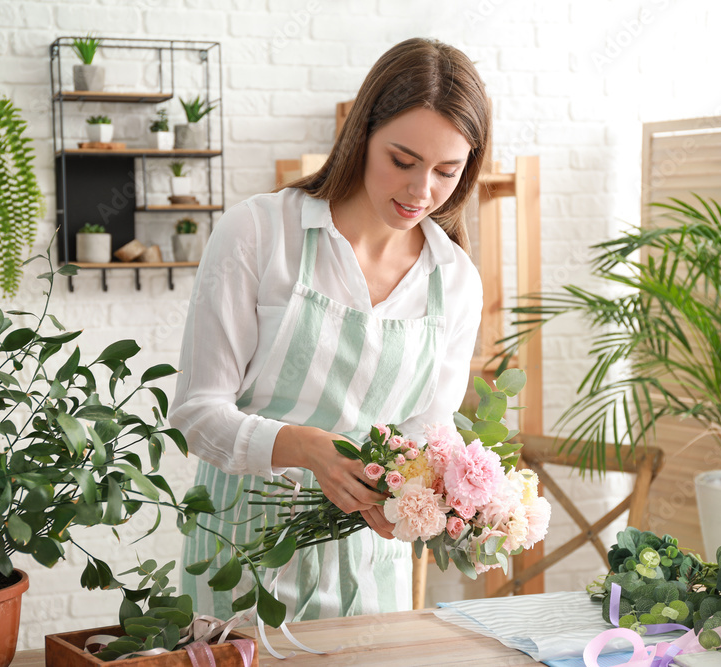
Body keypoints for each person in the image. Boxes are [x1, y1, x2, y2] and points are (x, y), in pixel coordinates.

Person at [170, 37, 490, 622]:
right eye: (402, 160)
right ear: (361, 134)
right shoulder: (260, 234)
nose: (422, 192)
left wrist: (439, 495)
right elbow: (195, 414)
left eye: (447, 171)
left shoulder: (454, 279)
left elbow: (428, 428)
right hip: (241, 561)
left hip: (372, 577)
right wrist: (303, 447)